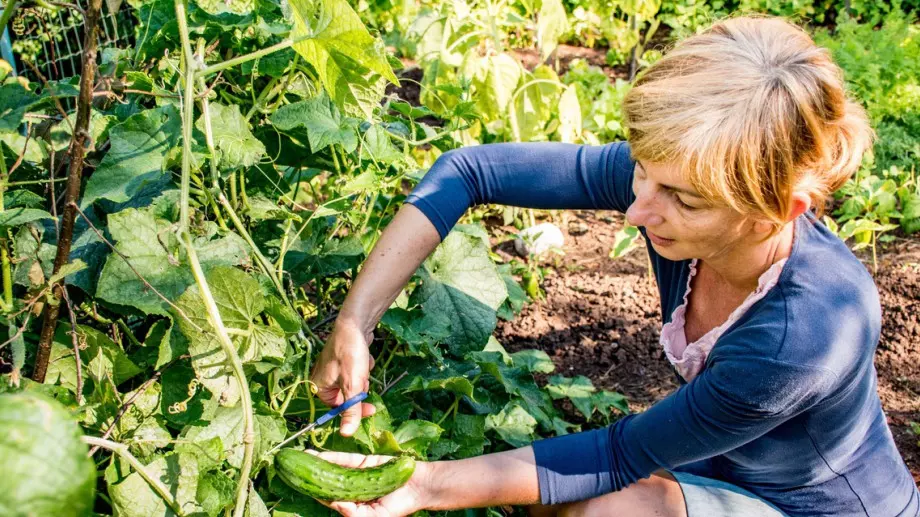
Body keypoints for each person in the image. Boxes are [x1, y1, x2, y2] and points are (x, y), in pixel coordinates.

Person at [308, 14, 920, 517]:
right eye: (641, 173)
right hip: (721, 463)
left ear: (776, 212)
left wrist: (423, 485)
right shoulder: (681, 182)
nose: (636, 212)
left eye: (682, 200)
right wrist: (354, 324)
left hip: (814, 508)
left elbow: (618, 456)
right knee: (550, 502)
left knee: (600, 511)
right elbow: (469, 171)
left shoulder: (804, 334)